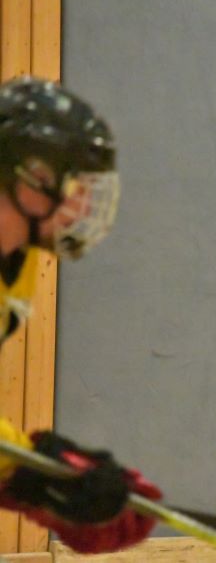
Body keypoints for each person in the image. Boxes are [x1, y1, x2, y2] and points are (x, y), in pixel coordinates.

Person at [0, 76, 162, 554]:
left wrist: (54, 473)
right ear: (30, 176)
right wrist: (31, 472)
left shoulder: (18, 259)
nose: (82, 204)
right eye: (74, 183)